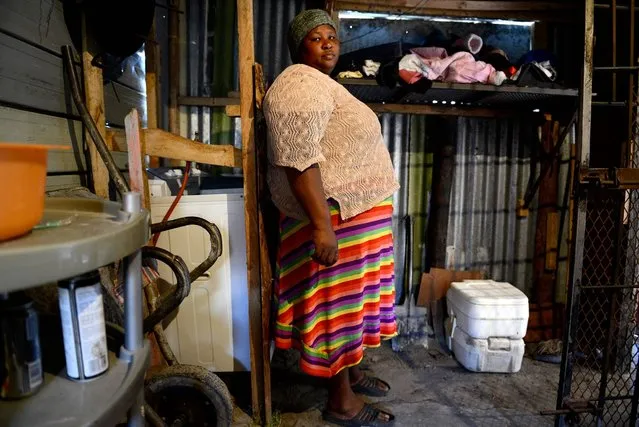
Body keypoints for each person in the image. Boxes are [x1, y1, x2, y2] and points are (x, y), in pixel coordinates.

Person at [264, 9, 399, 426]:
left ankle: (352, 370)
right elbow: (299, 159)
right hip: (335, 218)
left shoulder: (321, 85)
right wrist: (322, 225)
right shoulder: (297, 84)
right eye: (316, 38)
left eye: (332, 37)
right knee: (337, 312)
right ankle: (341, 402)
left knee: (354, 306)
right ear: (297, 47)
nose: (327, 43)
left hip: (355, 216)